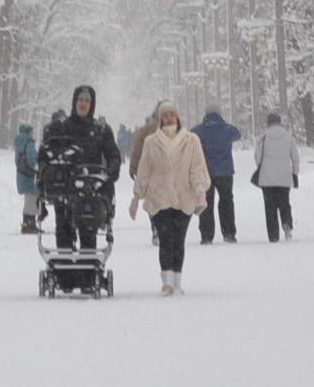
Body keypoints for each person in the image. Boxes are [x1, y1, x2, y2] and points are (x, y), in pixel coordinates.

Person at [131, 100, 212, 294]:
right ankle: (166, 281)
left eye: (172, 115)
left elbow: (198, 167)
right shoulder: (151, 141)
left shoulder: (191, 140)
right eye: (165, 116)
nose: (169, 119)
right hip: (160, 196)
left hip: (184, 196)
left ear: (178, 117)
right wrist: (137, 196)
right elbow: (144, 171)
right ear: (160, 119)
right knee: (166, 239)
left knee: (179, 240)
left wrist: (200, 186)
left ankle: (177, 281)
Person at [40, 86, 121, 251]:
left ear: (92, 104)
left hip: (90, 189)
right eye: (80, 100)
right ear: (74, 102)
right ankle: (64, 263)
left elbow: (113, 155)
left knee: (88, 232)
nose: (83, 104)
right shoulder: (60, 128)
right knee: (63, 230)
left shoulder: (100, 130)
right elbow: (45, 152)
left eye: (87, 101)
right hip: (64, 188)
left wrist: (109, 175)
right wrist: (46, 174)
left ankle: (88, 265)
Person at [191, 108, 241, 244]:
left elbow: (189, 138)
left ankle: (207, 235)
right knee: (227, 201)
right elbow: (238, 134)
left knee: (206, 202)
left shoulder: (198, 131)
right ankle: (229, 233)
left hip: (206, 172)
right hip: (225, 172)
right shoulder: (228, 129)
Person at [251, 111, 300, 242]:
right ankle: (287, 223)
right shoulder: (288, 137)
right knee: (284, 203)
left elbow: (257, 157)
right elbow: (295, 157)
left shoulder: (263, 137)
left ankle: (273, 235)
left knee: (270, 207)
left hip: (267, 178)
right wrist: (295, 173)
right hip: (284, 176)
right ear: (279, 121)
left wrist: (263, 166)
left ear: (268, 122)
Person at [13, 122, 41, 234]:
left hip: (22, 174)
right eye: (32, 131)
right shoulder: (28, 143)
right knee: (31, 201)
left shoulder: (20, 143)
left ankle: (29, 224)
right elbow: (31, 159)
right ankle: (28, 224)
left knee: (29, 200)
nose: (33, 133)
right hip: (30, 176)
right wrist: (38, 168)